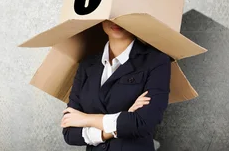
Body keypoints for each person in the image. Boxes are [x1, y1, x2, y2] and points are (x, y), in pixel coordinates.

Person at [61, 20, 171, 151]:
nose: (116, 20)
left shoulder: (156, 61)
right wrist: (123, 120)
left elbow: (143, 123)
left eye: (123, 15)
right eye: (111, 15)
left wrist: (86, 119)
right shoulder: (87, 65)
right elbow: (70, 133)